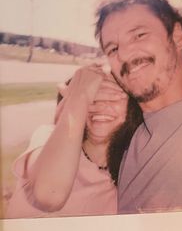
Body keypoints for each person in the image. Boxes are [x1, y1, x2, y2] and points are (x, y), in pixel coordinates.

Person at [94, 0, 182, 214]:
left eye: (139, 35)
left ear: (177, 36)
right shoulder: (128, 135)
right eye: (113, 48)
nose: (125, 55)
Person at [6, 66, 143, 218]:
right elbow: (50, 197)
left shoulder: (130, 173)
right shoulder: (48, 137)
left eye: (113, 96)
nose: (101, 106)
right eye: (92, 97)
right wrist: (78, 98)